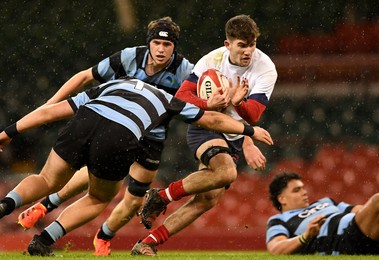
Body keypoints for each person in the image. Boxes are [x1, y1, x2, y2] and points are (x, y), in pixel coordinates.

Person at [0, 78, 273, 256]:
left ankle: (5, 205)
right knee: (97, 198)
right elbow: (212, 120)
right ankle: (43, 242)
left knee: (46, 178)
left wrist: (8, 133)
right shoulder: (168, 100)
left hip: (85, 121)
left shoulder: (114, 84)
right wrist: (249, 130)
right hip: (120, 134)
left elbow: (50, 111)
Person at [16, 16, 193, 256]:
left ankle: (103, 235)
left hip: (152, 136)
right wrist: (49, 105)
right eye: (157, 43)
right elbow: (84, 77)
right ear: (149, 43)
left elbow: (199, 102)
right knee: (96, 175)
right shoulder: (130, 56)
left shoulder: (186, 71)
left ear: (175, 47)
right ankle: (47, 205)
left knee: (134, 200)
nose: (161, 49)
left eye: (167, 45)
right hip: (118, 125)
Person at [132, 14, 277, 256]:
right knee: (226, 171)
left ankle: (147, 243)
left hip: (235, 133)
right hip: (206, 126)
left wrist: (237, 104)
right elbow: (182, 96)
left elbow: (252, 115)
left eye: (252, 45)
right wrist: (206, 103)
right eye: (242, 45)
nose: (248, 51)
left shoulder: (265, 68)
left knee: (206, 200)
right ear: (227, 44)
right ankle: (162, 197)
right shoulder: (212, 60)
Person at [266, 172, 379, 255]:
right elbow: (276, 248)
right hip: (343, 241)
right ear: (281, 198)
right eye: (297, 190)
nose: (304, 192)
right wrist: (305, 236)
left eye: (303, 188)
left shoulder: (325, 201)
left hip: (366, 234)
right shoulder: (278, 220)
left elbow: (363, 211)